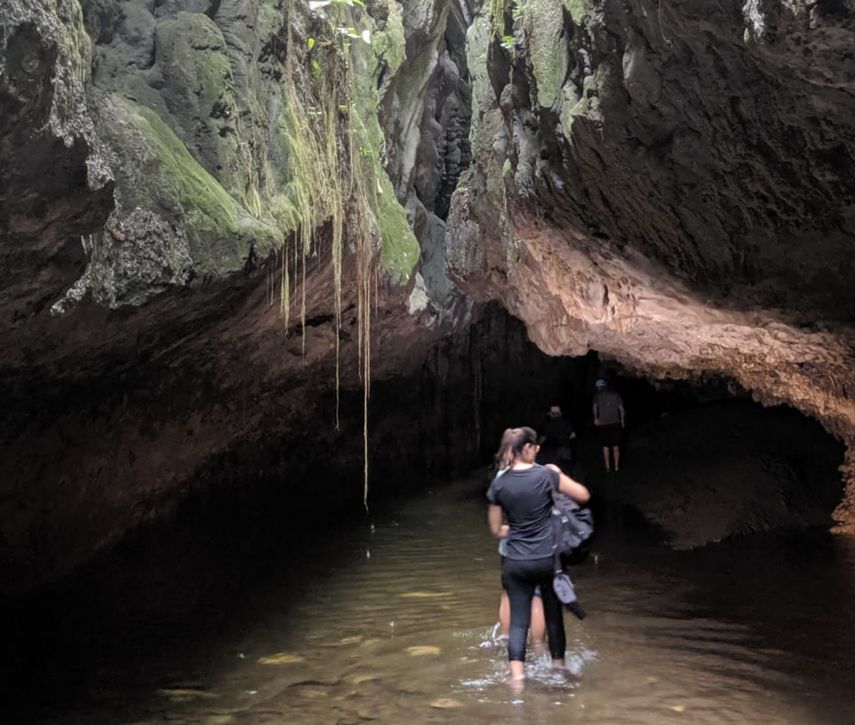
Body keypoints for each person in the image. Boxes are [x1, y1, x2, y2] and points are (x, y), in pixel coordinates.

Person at [486, 427, 590, 683]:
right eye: (534, 446)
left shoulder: (499, 483)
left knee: (519, 621)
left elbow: (497, 530)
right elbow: (583, 495)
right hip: (547, 560)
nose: (538, 449)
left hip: (516, 561)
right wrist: (558, 474)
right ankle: (558, 669)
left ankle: (517, 678)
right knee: (553, 616)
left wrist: (520, 528)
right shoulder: (546, 475)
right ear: (527, 448)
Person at [493, 430, 546, 646]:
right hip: (539, 547)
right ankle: (538, 646)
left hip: (510, 547)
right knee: (538, 596)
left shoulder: (500, 478)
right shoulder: (543, 475)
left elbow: (497, 524)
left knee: (508, 594)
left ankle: (505, 640)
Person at [592, 378, 625, 472]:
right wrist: (622, 420)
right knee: (615, 446)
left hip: (604, 423)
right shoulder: (615, 395)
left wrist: (596, 418)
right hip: (615, 422)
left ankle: (608, 467)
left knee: (606, 446)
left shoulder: (597, 396)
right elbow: (621, 408)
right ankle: (616, 467)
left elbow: (594, 407)